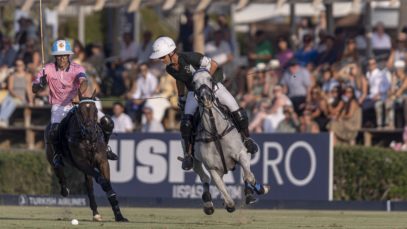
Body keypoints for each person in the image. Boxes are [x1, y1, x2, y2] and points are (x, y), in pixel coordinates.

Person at [149, 36, 258, 170]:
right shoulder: (170, 69)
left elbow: (213, 64)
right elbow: (180, 79)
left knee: (236, 109)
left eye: (162, 56)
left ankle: (247, 140)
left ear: (171, 52)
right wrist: (181, 96)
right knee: (186, 122)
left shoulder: (190, 57)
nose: (161, 60)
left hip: (213, 86)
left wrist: (205, 82)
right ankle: (189, 155)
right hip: (193, 92)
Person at [31, 39, 118, 169]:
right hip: (59, 106)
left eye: (64, 55)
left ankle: (105, 148)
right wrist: (40, 84)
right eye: (59, 56)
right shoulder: (47, 69)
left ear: (69, 56)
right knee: (53, 132)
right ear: (55, 56)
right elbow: (34, 89)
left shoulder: (77, 68)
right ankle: (57, 156)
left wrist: (78, 95)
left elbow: (84, 82)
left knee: (107, 122)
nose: (62, 59)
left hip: (77, 103)